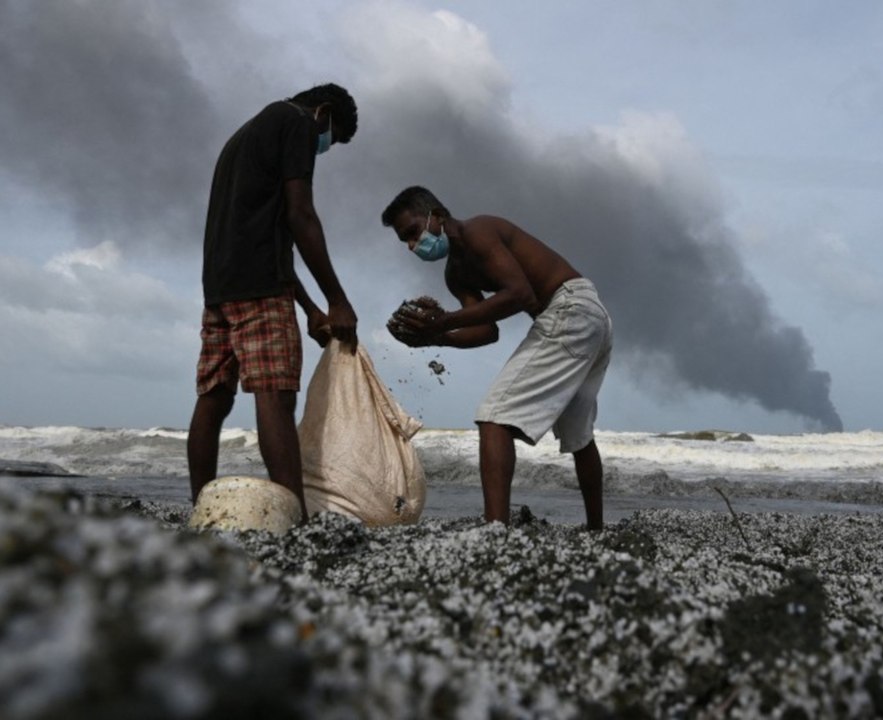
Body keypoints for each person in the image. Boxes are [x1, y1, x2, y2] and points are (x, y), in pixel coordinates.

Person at [381, 186, 613, 530]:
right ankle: (596, 530)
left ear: (437, 215)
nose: (413, 246)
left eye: (413, 233)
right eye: (406, 242)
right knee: (579, 434)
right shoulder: (454, 274)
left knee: (493, 418)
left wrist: (444, 321)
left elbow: (520, 294)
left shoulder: (479, 230)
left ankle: (495, 532)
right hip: (591, 317)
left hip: (570, 309)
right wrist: (435, 338)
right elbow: (487, 331)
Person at [187, 83, 359, 522]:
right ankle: (294, 519)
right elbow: (301, 216)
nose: (323, 147)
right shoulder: (297, 122)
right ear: (323, 112)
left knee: (214, 398)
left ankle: (200, 509)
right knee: (275, 397)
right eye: (332, 137)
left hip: (220, 290)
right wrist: (337, 300)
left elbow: (268, 235)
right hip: (261, 290)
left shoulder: (243, 137)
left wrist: (310, 308)